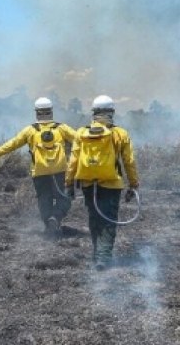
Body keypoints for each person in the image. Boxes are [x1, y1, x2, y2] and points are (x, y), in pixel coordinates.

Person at [65, 95, 140, 270]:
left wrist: (69, 183)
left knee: (94, 217)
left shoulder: (82, 133)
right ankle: (103, 258)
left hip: (88, 183)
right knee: (109, 219)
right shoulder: (119, 133)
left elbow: (73, 161)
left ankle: (96, 254)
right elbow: (129, 161)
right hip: (112, 183)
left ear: (94, 113)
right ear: (111, 112)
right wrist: (134, 184)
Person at [0, 97, 77, 238]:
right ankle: (56, 218)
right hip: (60, 171)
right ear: (51, 112)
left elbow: (13, 143)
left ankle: (48, 226)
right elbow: (81, 140)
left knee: (44, 199)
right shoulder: (61, 128)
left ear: (37, 113)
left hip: (39, 173)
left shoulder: (30, 130)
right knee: (64, 198)